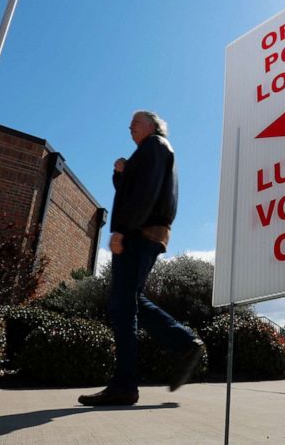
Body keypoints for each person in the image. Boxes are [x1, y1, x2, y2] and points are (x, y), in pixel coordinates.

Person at [78, 110, 205, 406]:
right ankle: (184, 344)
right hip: (146, 231)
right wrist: (121, 173)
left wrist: (122, 229)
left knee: (123, 305)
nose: (130, 127)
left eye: (136, 122)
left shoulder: (155, 146)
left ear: (154, 125)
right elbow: (133, 191)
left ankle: (125, 384)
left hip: (140, 232)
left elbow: (143, 195)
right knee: (127, 300)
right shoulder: (150, 152)